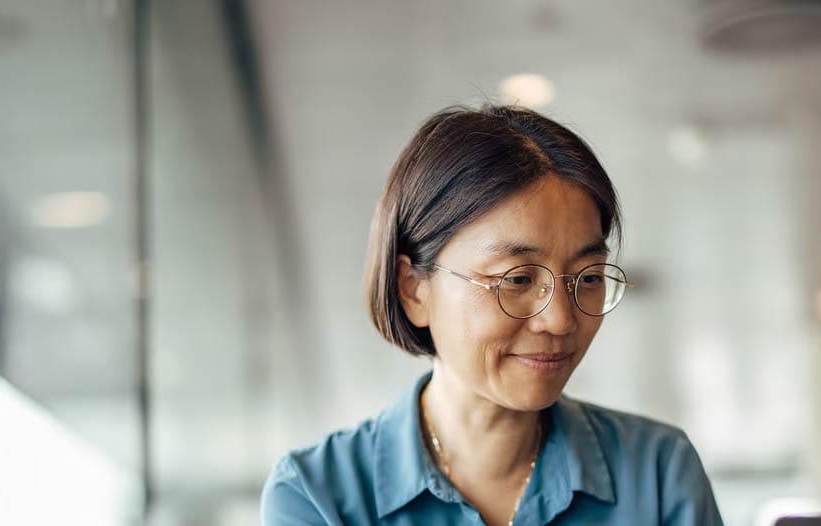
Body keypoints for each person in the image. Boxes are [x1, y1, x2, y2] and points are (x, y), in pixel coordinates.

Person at [261, 104, 724, 525]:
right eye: (517, 280)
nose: (560, 320)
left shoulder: (659, 473)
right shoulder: (318, 497)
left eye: (586, 277)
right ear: (414, 289)